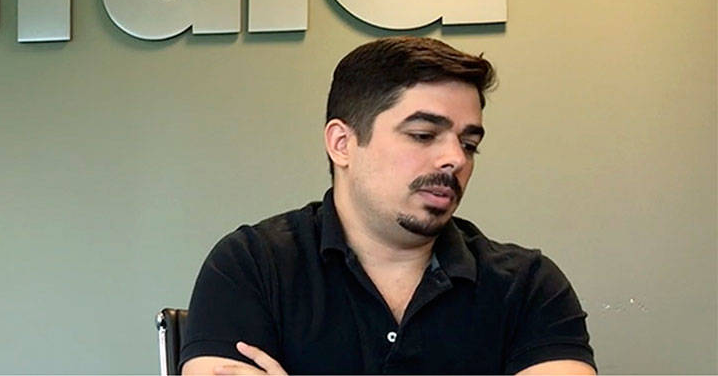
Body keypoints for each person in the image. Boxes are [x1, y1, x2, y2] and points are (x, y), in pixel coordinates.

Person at [181, 37, 596, 375]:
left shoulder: (529, 286)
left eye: (469, 144)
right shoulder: (251, 266)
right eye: (422, 135)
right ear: (342, 144)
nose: (456, 158)